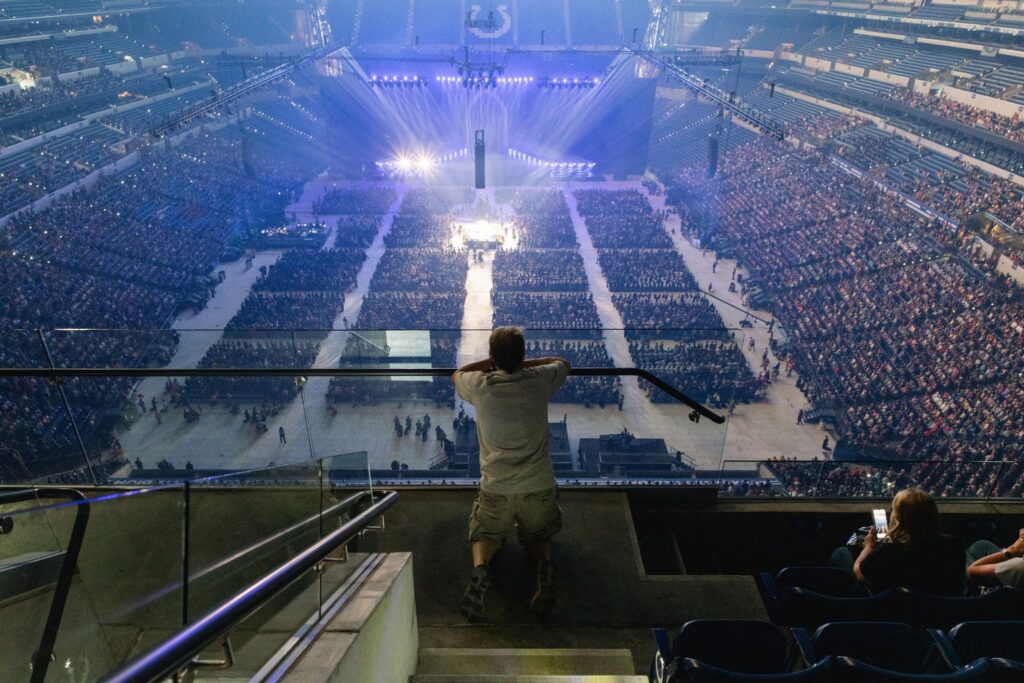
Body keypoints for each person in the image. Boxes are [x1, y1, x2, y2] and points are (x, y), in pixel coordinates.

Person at [452, 327, 570, 621]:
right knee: (538, 536)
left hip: (496, 488)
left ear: (492, 357)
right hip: (538, 484)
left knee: (485, 534)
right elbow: (563, 363)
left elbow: (457, 373)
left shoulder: (480, 385)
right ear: (523, 355)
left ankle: (481, 569)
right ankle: (544, 565)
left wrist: (493, 364)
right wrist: (524, 364)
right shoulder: (539, 380)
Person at [846, 488, 965, 595]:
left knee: (840, 552)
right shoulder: (953, 545)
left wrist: (869, 547)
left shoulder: (887, 551)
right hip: (942, 615)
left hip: (893, 615)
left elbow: (859, 573)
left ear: (898, 517)